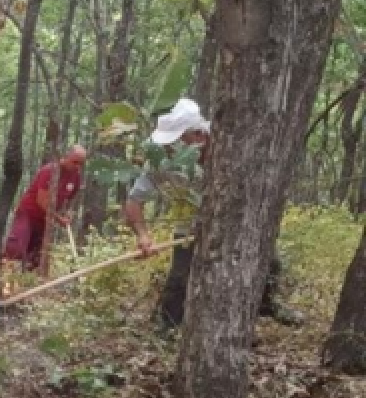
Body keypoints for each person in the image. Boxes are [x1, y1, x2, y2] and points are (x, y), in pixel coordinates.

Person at [124, 97, 300, 328]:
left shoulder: (232, 150)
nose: (170, 148)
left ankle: (264, 305)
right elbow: (134, 201)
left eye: (177, 141)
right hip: (189, 224)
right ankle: (168, 327)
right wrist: (143, 235)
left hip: (234, 223)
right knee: (180, 277)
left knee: (269, 263)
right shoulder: (161, 163)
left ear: (199, 136)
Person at [3, 144, 88, 270]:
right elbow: (42, 201)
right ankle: (4, 276)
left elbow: (70, 199)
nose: (77, 167)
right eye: (75, 162)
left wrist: (68, 212)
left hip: (46, 220)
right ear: (66, 157)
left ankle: (29, 279)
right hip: (28, 214)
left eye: (81, 164)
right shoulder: (49, 171)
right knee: (16, 249)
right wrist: (58, 219)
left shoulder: (76, 177)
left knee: (37, 256)